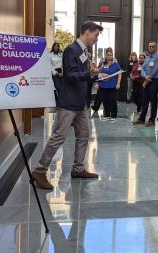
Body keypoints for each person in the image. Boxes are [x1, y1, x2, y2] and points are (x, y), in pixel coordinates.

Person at [32, 21, 104, 189]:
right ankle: (39, 170)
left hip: (81, 103)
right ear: (87, 32)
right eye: (96, 35)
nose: (96, 39)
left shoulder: (84, 51)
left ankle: (78, 169)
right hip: (69, 103)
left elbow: (83, 76)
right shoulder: (71, 50)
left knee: (84, 136)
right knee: (58, 137)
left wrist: (94, 76)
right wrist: (89, 73)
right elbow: (70, 75)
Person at [132, 41, 158, 126]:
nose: (151, 48)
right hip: (147, 80)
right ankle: (141, 119)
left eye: (153, 46)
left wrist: (147, 79)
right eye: (150, 46)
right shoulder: (147, 58)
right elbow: (142, 69)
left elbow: (156, 70)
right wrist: (145, 77)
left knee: (153, 101)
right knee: (144, 100)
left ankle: (152, 120)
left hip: (154, 81)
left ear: (155, 48)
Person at [97, 49, 121, 121]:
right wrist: (98, 82)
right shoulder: (102, 64)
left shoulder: (116, 64)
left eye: (110, 55)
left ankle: (113, 115)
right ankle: (106, 115)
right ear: (105, 55)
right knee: (105, 100)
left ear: (112, 56)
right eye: (108, 55)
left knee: (112, 100)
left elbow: (119, 74)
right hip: (103, 85)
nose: (109, 56)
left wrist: (118, 83)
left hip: (112, 85)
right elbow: (98, 73)